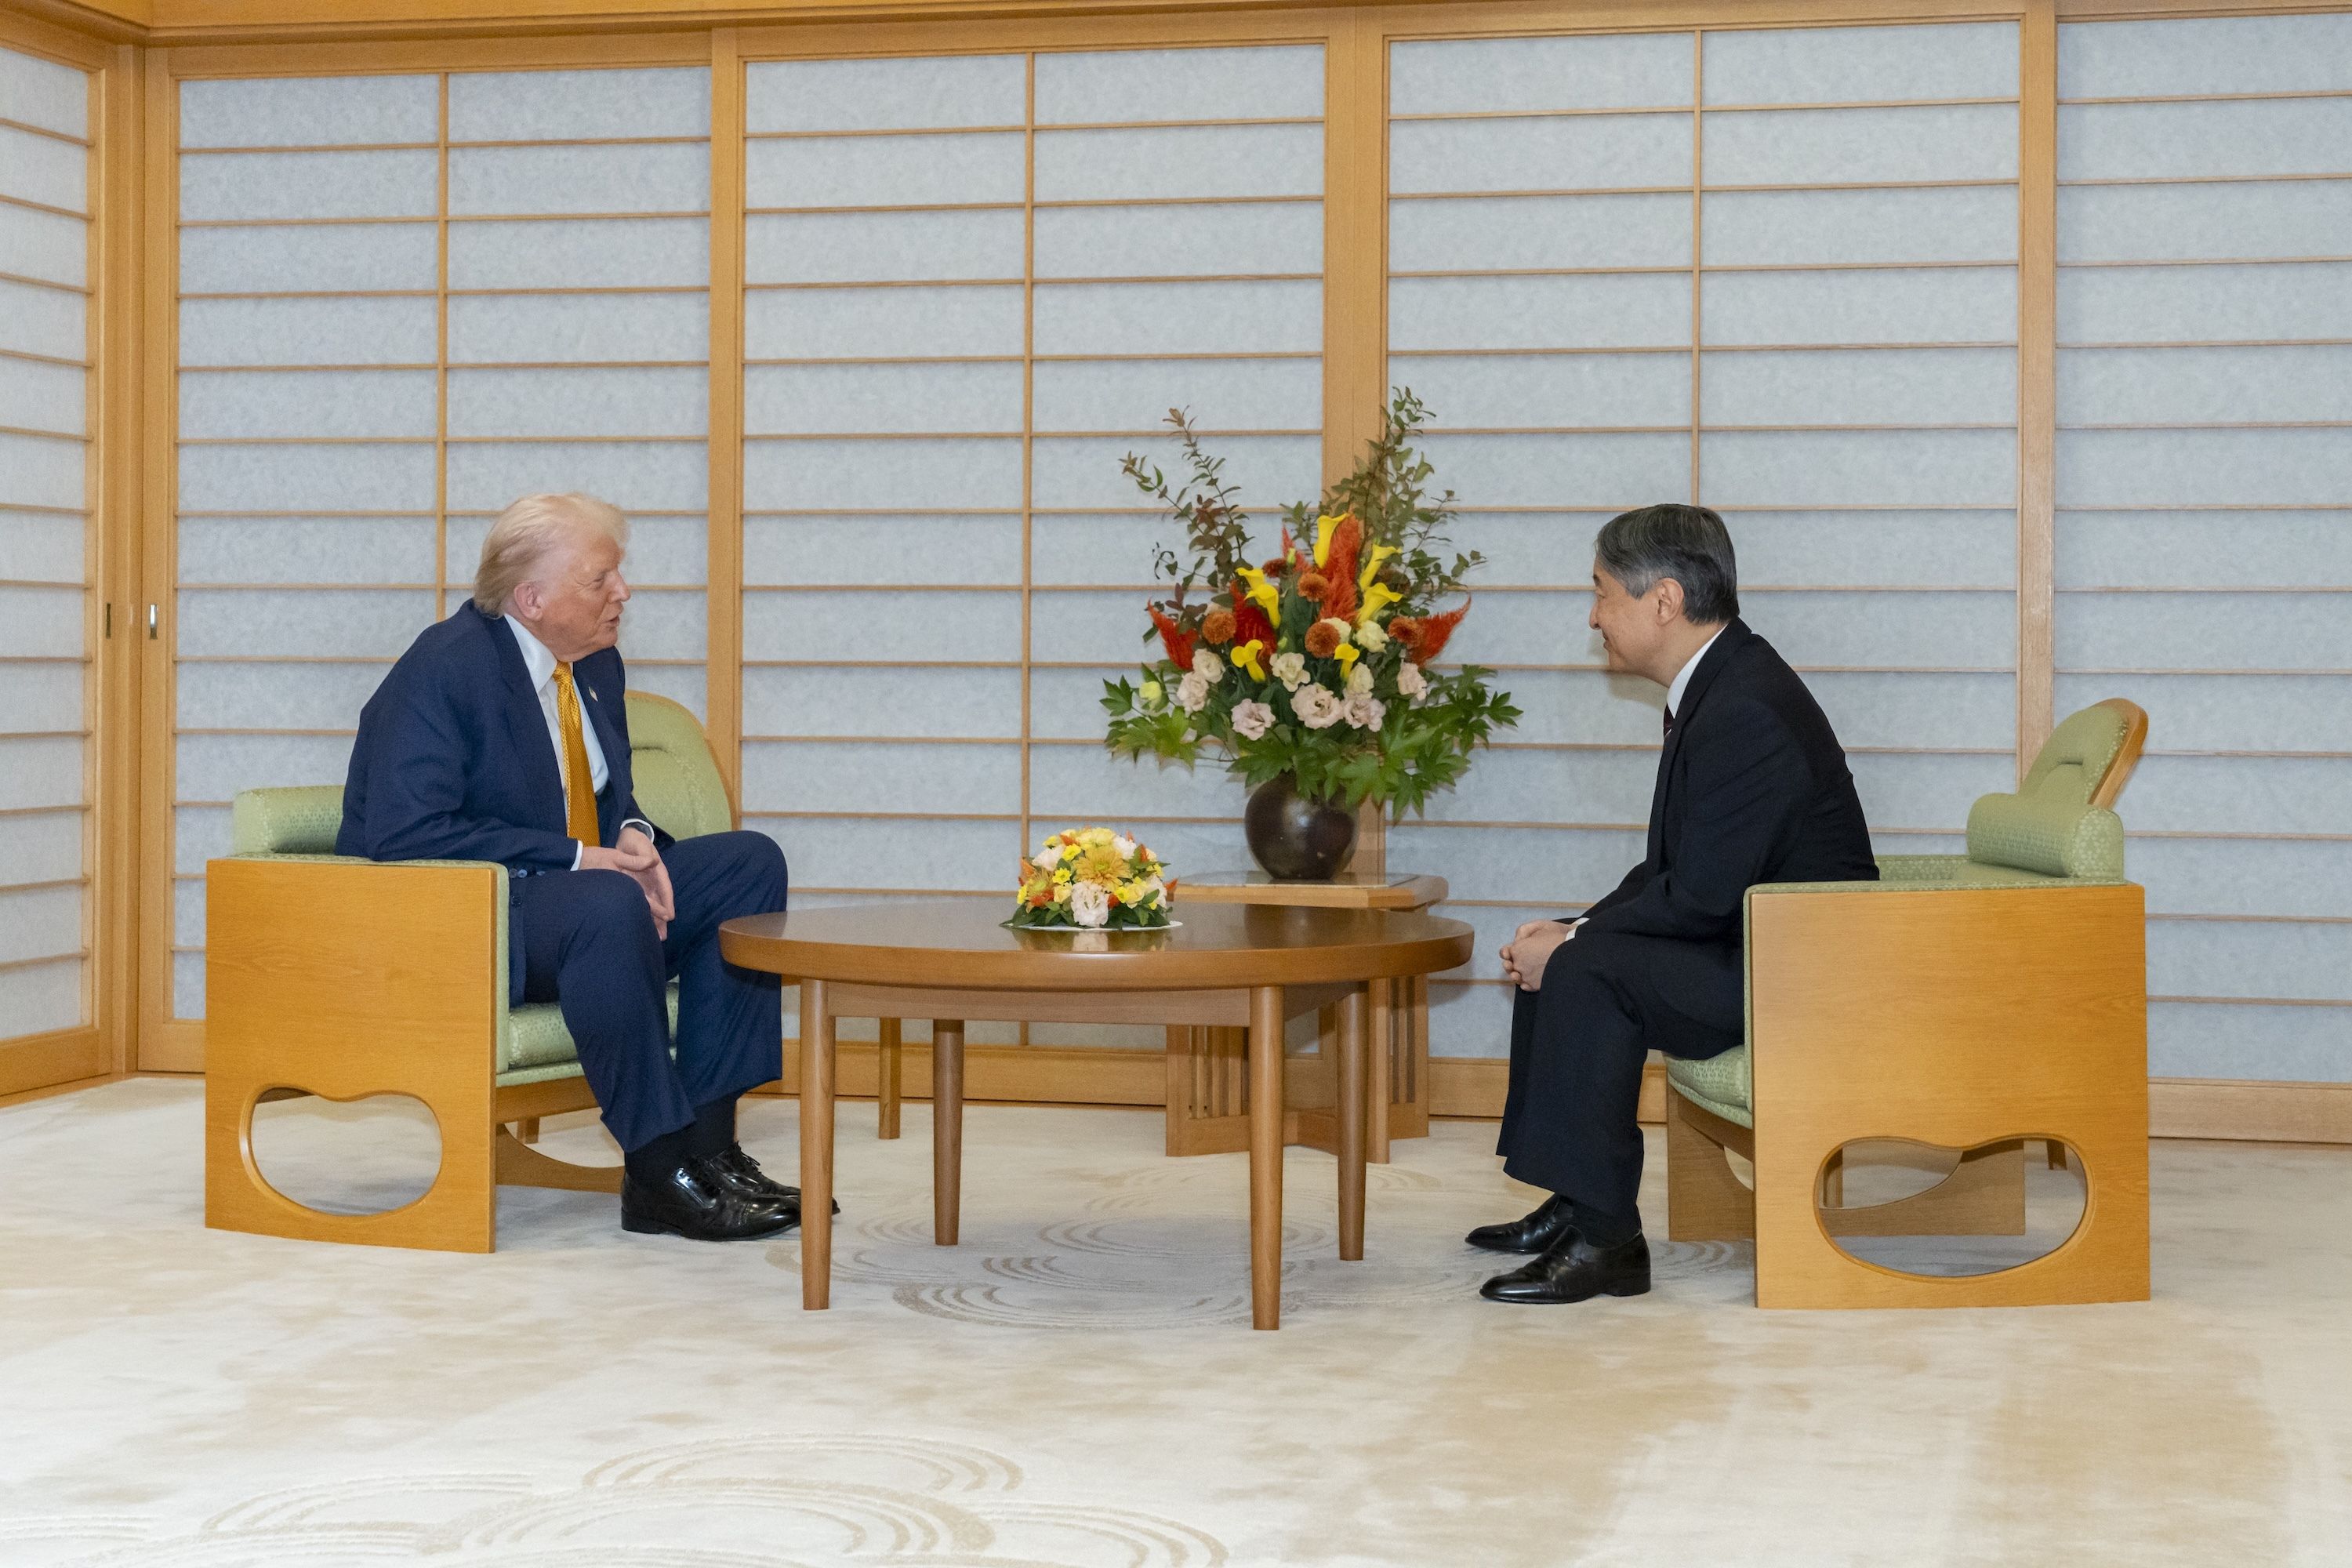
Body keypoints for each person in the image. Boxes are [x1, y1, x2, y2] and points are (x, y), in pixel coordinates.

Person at [337, 492, 800, 1243]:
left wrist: (633, 834)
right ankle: (656, 1171)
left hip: (571, 905)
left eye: (618, 575)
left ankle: (710, 1149)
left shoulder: (592, 664)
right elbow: (405, 833)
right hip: (475, 919)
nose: (623, 593)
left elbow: (607, 794)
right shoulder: (444, 669)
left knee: (748, 866)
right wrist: (585, 859)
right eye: (601, 579)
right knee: (607, 901)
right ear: (532, 597)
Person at [1470, 504, 1878, 1304]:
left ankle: (1608, 1242)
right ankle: (1577, 1195)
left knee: (1586, 968)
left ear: (1662, 600)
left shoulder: (1744, 707)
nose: (1593, 616)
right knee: (1564, 950)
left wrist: (1578, 940)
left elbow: (1697, 896)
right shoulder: (1723, 680)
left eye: (1600, 594)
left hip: (1798, 969)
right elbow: (1674, 870)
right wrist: (1570, 924)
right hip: (1751, 941)